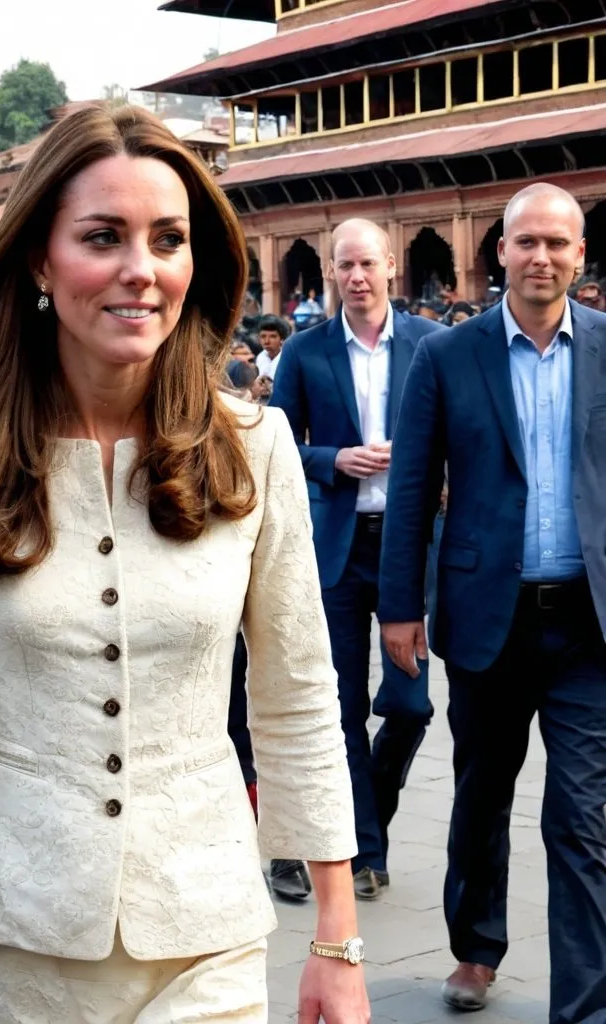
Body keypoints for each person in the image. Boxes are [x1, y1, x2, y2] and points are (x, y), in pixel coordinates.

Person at [0, 104, 367, 1024]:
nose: (141, 269)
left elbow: (295, 696)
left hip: (207, 927)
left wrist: (336, 939)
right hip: (29, 935)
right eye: (103, 237)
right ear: (41, 261)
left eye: (169, 239)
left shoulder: (257, 447)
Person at [380, 183, 606, 1019]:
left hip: (588, 624)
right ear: (499, 252)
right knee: (481, 795)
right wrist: (399, 606)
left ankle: (585, 1002)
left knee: (585, 817)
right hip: (487, 615)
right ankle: (476, 948)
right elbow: (412, 488)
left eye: (558, 243)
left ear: (580, 255)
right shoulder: (449, 354)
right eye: (525, 243)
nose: (541, 257)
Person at [269, 218, 442, 903]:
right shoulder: (307, 353)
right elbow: (279, 441)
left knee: (412, 705)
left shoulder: (433, 346)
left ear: (391, 266)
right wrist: (333, 459)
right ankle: (365, 849)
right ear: (333, 273)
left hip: (408, 547)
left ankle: (371, 809)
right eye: (346, 265)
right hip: (336, 545)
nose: (358, 276)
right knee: (338, 708)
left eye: (368, 263)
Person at [255, 313, 289, 380]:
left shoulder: (288, 359)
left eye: (273, 336)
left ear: (282, 339)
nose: (267, 341)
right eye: (263, 336)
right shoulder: (260, 358)